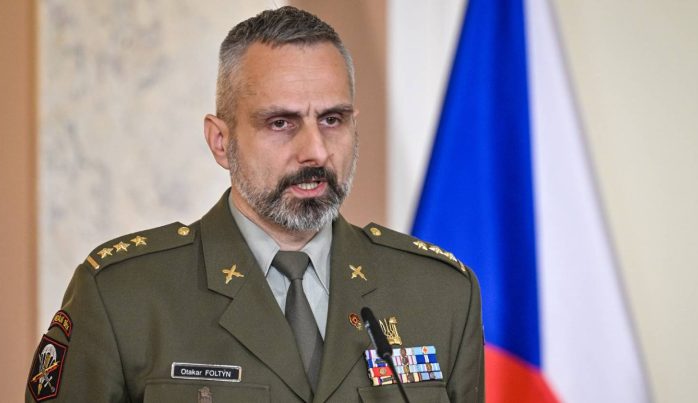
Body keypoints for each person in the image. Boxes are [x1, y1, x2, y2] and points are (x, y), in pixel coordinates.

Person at [26, 6, 484, 403]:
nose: (316, 151)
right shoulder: (123, 295)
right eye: (281, 122)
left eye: (332, 119)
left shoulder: (440, 294)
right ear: (220, 142)